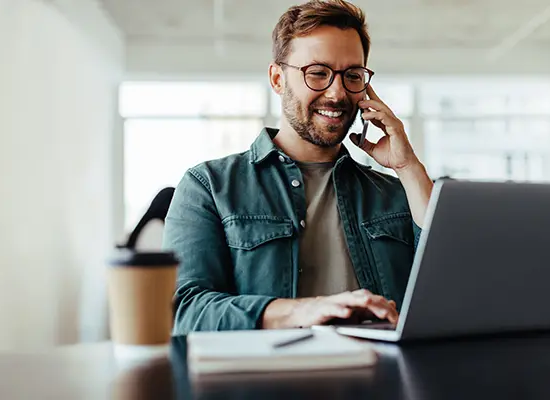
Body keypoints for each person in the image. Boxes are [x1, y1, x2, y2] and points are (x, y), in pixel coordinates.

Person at [163, 0, 434, 334]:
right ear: (278, 78)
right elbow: (183, 310)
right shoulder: (209, 186)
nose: (337, 93)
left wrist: (408, 167)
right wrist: (305, 311)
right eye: (318, 73)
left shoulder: (395, 193)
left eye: (352, 75)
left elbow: (450, 291)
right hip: (267, 382)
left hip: (382, 380)